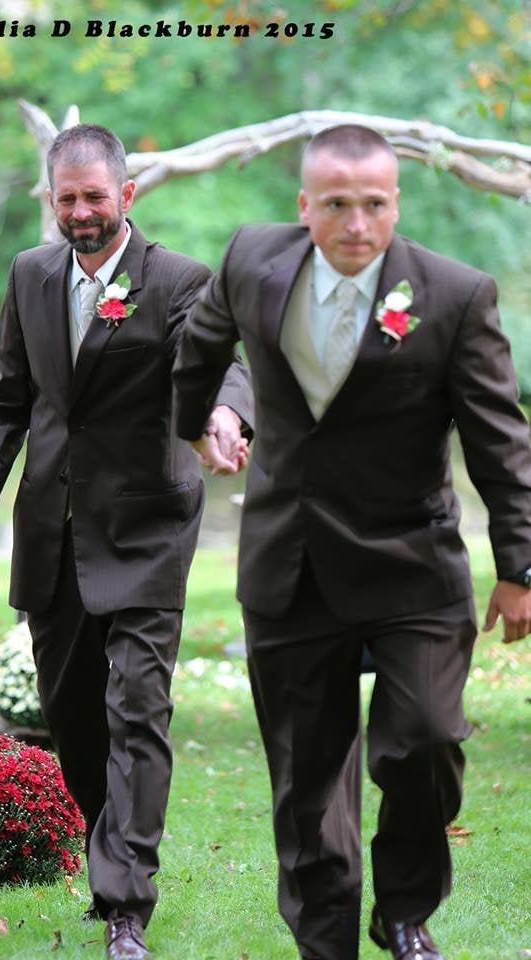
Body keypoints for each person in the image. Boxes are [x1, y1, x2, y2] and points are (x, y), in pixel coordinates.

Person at [173, 124, 531, 960]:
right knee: (306, 781)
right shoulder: (250, 261)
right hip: (289, 562)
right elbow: (200, 344)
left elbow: (497, 443)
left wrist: (517, 565)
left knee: (428, 740)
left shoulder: (453, 294)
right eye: (336, 204)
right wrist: (203, 422)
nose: (357, 223)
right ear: (306, 206)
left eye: (373, 205)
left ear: (394, 204)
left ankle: (404, 911)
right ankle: (324, 939)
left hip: (413, 562)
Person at [0, 124, 252, 960]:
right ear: (51, 200)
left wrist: (225, 415)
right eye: (66, 198)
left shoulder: (179, 280)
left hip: (147, 527)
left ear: (127, 194)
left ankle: (126, 905)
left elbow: (220, 361)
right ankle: (106, 852)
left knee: (138, 712)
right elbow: (7, 399)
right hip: (51, 531)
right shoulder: (30, 273)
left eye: (95, 196)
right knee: (75, 720)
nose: (80, 212)